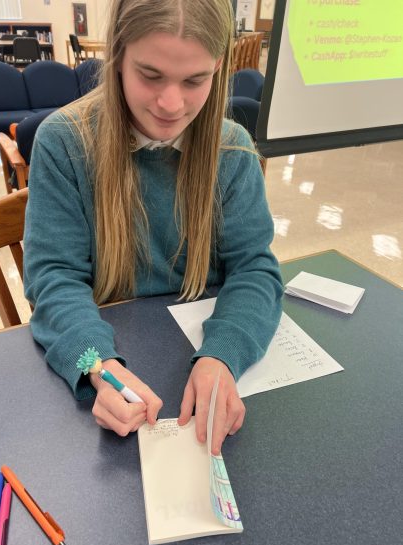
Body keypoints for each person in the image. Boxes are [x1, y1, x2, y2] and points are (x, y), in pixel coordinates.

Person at [24, 0, 283, 456]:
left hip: (196, 354)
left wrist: (223, 353)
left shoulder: (232, 148)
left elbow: (255, 269)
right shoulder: (63, 143)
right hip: (110, 354)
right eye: (150, 75)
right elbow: (54, 279)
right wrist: (98, 366)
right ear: (118, 56)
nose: (170, 104)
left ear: (218, 68)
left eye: (194, 81)